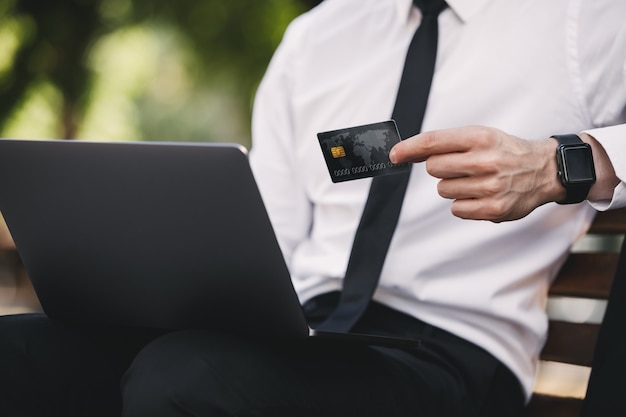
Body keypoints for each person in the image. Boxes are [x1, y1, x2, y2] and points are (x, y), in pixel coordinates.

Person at [1, 0, 625, 416]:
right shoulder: (317, 37)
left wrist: (562, 162)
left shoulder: (586, 21)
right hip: (304, 334)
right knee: (18, 351)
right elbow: (267, 231)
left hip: (455, 353)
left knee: (187, 377)